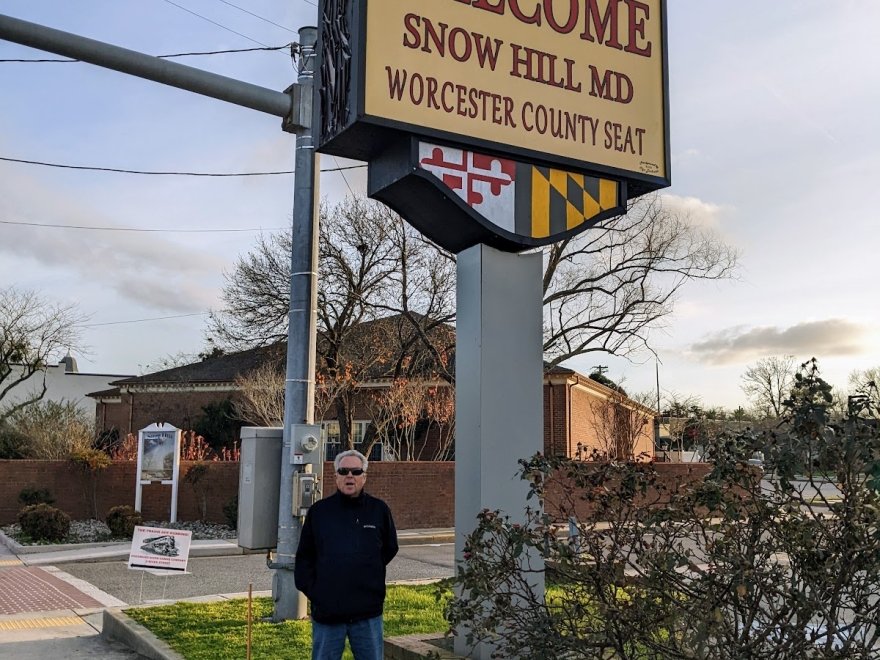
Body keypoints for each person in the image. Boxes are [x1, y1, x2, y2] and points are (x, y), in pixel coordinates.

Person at [295, 449, 398, 660]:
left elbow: (389, 548)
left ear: (364, 476)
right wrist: (318, 593)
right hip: (328, 614)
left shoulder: (379, 510)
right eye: (344, 471)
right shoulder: (319, 512)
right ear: (336, 476)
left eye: (356, 471)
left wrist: (369, 575)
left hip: (367, 613)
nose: (350, 476)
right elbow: (305, 558)